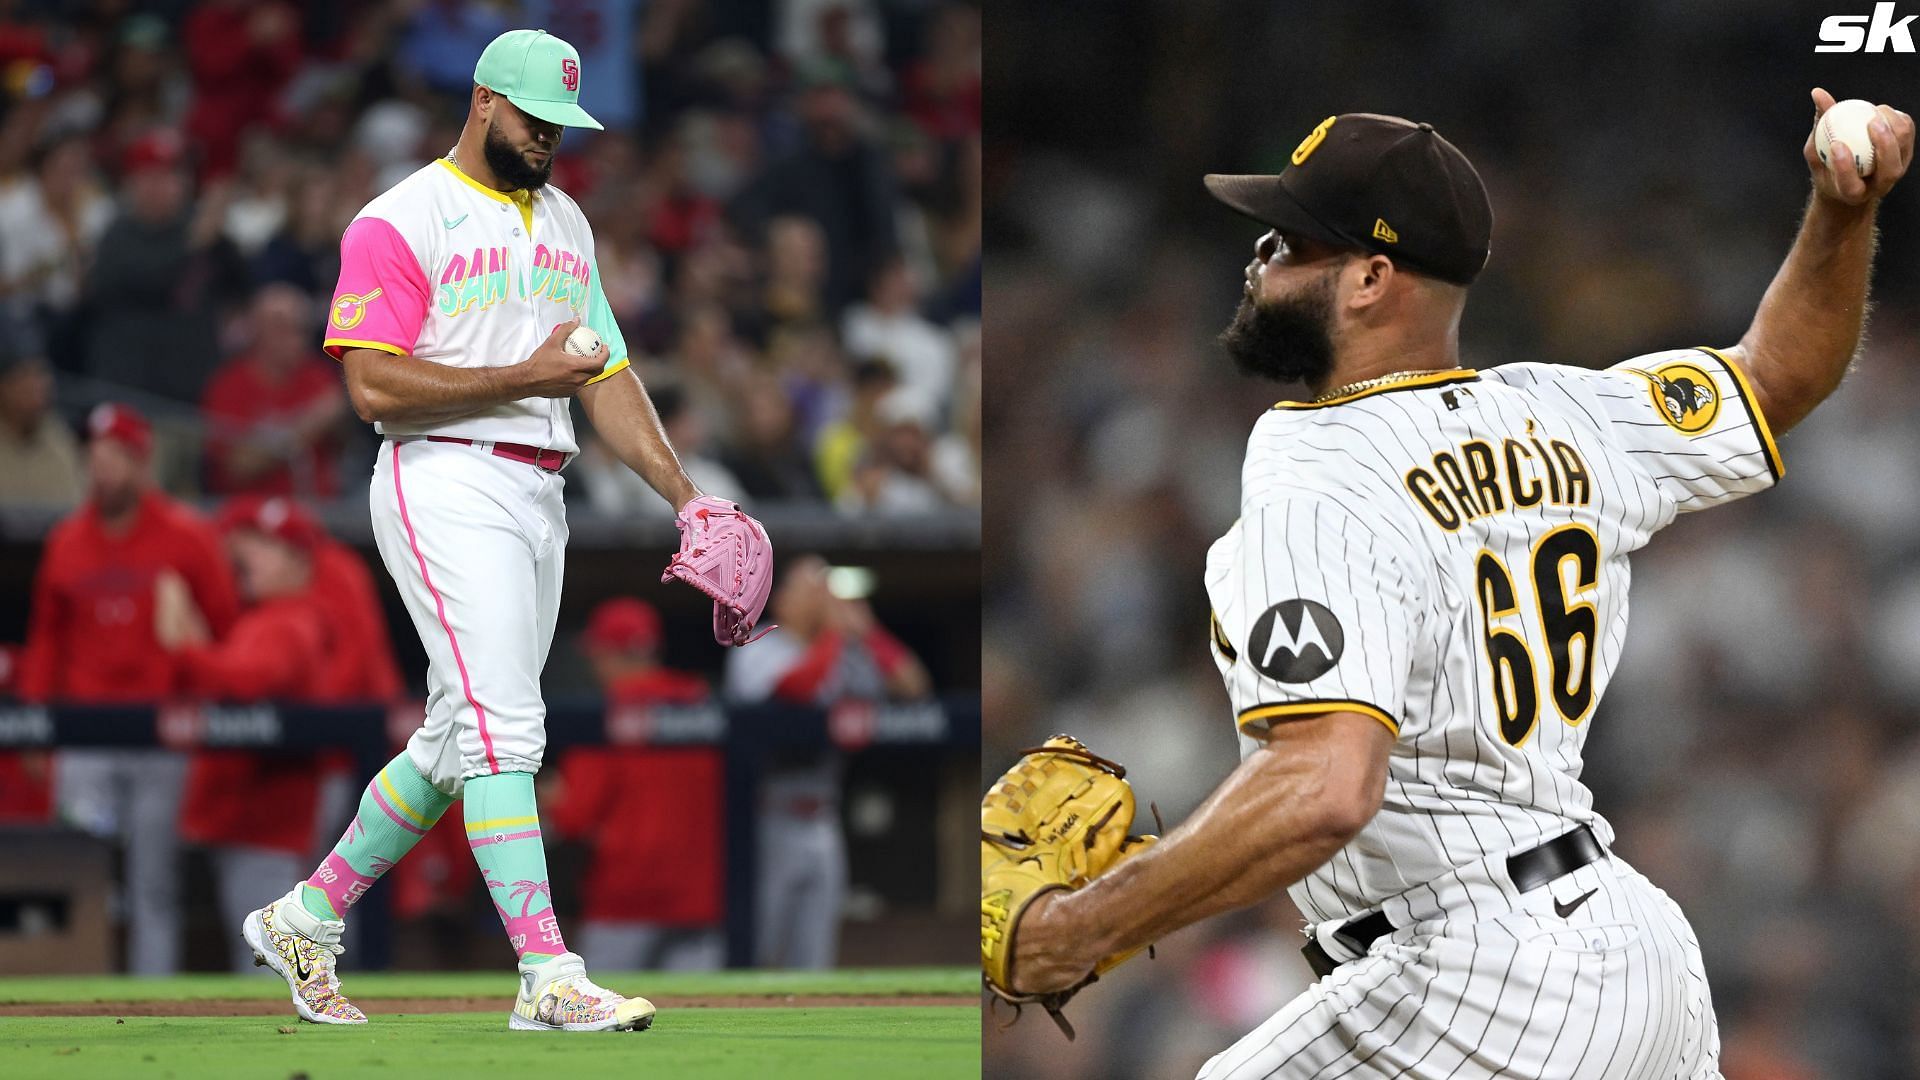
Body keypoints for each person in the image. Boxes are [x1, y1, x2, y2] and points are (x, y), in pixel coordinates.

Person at [996, 97, 1913, 1079]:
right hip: (1636, 956)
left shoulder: (1319, 469)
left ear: (1372, 278)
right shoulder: (1570, 414)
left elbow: (1324, 787)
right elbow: (1777, 375)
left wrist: (1081, 926)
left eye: (1294, 241)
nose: (1260, 255)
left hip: (1476, 980)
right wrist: (1841, 213)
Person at [242, 29, 745, 1032]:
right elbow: (373, 384)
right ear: (480, 103)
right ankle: (547, 974)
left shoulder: (566, 220)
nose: (552, 138)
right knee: (506, 728)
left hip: (539, 492)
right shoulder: (399, 217)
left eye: (564, 123)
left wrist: (688, 496)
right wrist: (526, 375)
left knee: (449, 741)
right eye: (535, 118)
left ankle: (306, 916)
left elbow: (603, 371)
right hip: (443, 478)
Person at [18, 402, 241, 975]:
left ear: (142, 463)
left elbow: (227, 629)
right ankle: (71, 994)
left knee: (153, 884)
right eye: (95, 456)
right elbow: (47, 640)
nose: (103, 468)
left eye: (116, 456)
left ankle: (152, 1000)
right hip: (85, 738)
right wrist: (35, 727)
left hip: (162, 738)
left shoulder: (188, 536)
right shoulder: (67, 540)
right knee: (77, 877)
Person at [727, 555, 930, 968]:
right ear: (781, 598)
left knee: (815, 960)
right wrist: (837, 636)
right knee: (759, 950)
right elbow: (794, 692)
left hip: (823, 817)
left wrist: (869, 632)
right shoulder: (757, 642)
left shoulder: (842, 649)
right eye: (811, 588)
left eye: (827, 589)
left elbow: (914, 688)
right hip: (767, 817)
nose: (823, 598)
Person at [162, 497, 336, 972]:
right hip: (245, 818)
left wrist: (185, 648)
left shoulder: (294, 622)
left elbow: (244, 682)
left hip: (267, 824)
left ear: (299, 562)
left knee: (271, 965)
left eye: (269, 547)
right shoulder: (261, 618)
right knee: (263, 955)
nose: (251, 556)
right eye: (253, 543)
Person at [547, 598, 725, 971]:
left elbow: (573, 816)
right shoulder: (701, 702)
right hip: (698, 895)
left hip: (625, 897)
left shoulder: (607, 713)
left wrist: (546, 793)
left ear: (609, 654)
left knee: (606, 1014)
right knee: (698, 1017)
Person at [200, 284, 349, 497]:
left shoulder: (319, 377)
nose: (294, 338)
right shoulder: (229, 385)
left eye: (300, 328)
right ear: (255, 330)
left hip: (319, 511)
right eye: (281, 327)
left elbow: (344, 445)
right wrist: (309, 423)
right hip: (250, 514)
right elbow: (236, 466)